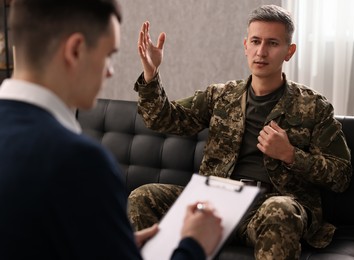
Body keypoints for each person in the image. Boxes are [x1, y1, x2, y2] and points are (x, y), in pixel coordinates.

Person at [0, 0, 223, 259]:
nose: (110, 72)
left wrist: (116, 246)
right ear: (75, 50)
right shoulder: (80, 161)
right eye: (108, 55)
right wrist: (194, 245)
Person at [129, 4, 352, 260]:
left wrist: (291, 155)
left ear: (289, 52)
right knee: (143, 196)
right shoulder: (220, 95)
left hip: (269, 207)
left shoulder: (314, 107)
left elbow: (341, 175)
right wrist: (151, 73)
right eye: (255, 41)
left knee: (280, 209)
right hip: (216, 204)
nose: (261, 51)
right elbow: (163, 120)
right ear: (245, 45)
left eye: (272, 43)